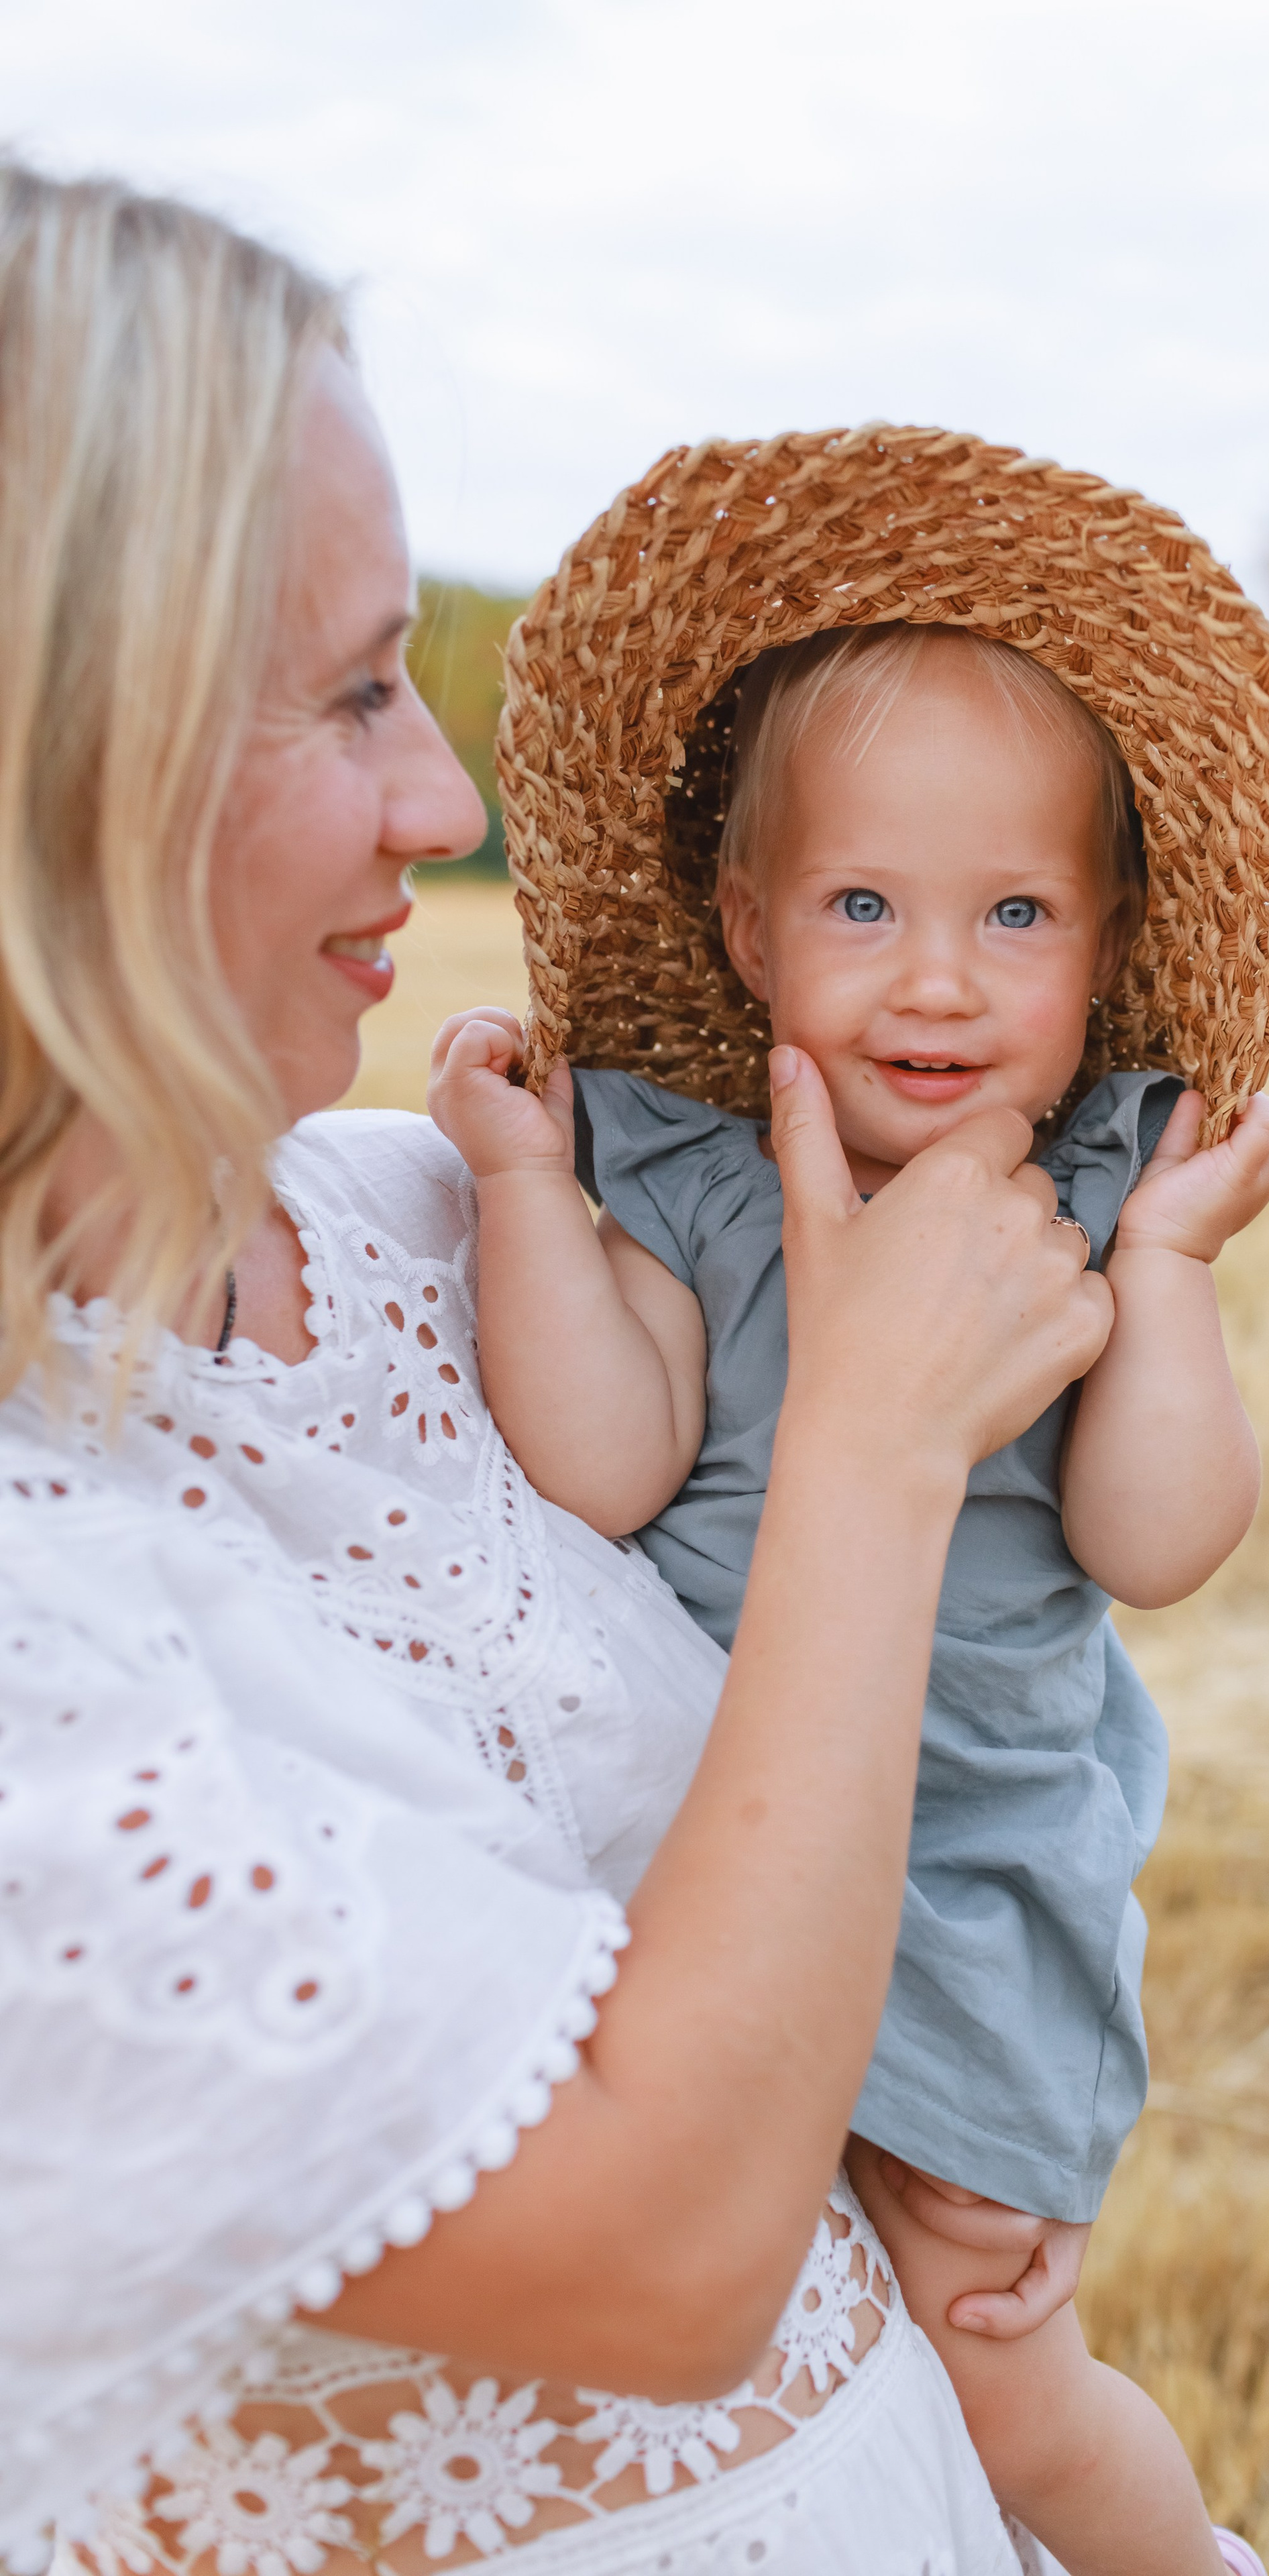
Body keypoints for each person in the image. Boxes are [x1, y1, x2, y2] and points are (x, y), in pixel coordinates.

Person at [0, 164, 1129, 2576]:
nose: (447, 800)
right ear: (46, 761)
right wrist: (872, 1436)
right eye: (340, 692)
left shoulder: (430, 1215)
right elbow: (663, 2251)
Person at [427, 437, 1269, 2576]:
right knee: (753, 2355)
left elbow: (1156, 1545)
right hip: (680, 1861)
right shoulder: (671, 1168)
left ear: (1104, 947)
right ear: (748, 929)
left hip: (967, 1885)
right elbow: (605, 1460)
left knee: (986, 2374)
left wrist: (1176, 1278)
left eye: (1013, 915)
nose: (937, 980)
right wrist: (521, 1195)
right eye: (866, 907)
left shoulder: (1097, 1199)